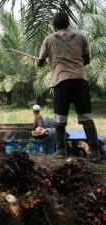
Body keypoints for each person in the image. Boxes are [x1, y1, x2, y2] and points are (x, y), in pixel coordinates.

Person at [38, 12, 101, 160]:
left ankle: (61, 151)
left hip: (61, 81)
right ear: (68, 24)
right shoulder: (81, 37)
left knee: (60, 119)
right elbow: (86, 59)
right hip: (80, 80)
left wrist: (48, 61)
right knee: (86, 117)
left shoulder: (49, 39)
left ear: (54, 26)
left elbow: (40, 63)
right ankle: (94, 152)